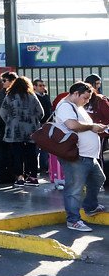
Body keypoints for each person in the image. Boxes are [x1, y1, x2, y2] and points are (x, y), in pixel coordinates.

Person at [54, 82, 107, 232]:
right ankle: (73, 220)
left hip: (87, 155)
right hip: (77, 156)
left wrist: (96, 127)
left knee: (98, 178)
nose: (87, 101)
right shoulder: (65, 106)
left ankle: (90, 206)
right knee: (74, 189)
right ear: (76, 94)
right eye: (85, 97)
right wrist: (92, 127)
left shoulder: (77, 107)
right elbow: (72, 125)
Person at [0, 76, 45, 187]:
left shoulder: (9, 96)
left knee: (17, 154)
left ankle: (20, 178)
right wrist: (33, 121)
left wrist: (11, 121)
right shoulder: (32, 96)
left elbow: (2, 112)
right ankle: (33, 177)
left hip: (15, 131)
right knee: (31, 154)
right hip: (31, 130)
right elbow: (41, 112)